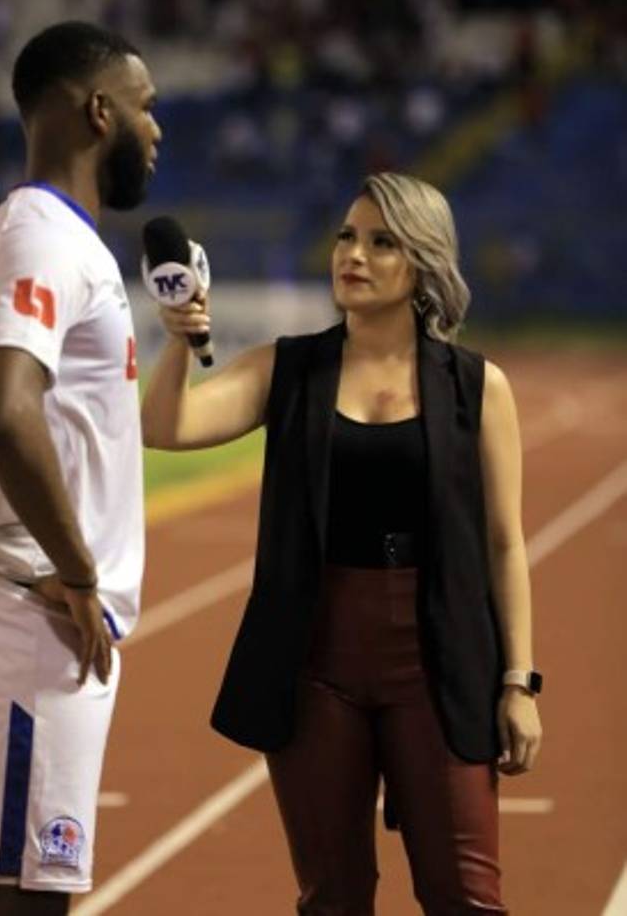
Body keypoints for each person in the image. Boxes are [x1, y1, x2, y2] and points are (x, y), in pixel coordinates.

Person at [141, 171, 543, 915]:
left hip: (439, 662)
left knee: (465, 895)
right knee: (334, 896)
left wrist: (517, 683)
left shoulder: (476, 387)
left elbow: (502, 545)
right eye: (346, 237)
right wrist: (178, 343)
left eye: (381, 242)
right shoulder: (286, 369)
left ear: (421, 262)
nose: (352, 255)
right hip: (313, 664)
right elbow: (165, 429)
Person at [0, 21, 161, 916]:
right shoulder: (43, 238)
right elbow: (6, 410)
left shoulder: (30, 232)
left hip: (27, 607)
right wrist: (78, 571)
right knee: (27, 895)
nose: (157, 130)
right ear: (99, 112)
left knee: (28, 884)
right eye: (146, 108)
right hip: (27, 610)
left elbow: (74, 429)